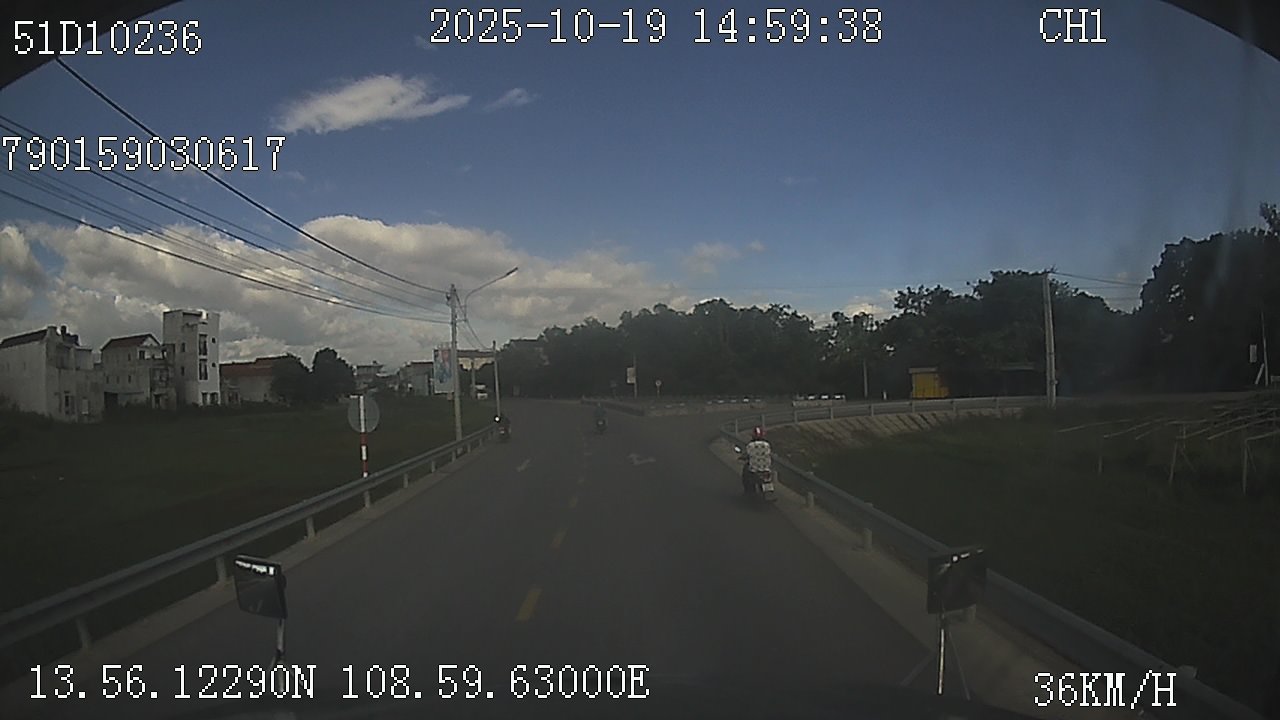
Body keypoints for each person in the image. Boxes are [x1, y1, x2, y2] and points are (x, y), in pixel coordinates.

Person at [740, 426, 772, 496]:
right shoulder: (767, 445)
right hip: (766, 468)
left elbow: (746, 454)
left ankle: (749, 491)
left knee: (746, 475)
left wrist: (742, 457)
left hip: (754, 469)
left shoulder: (750, 445)